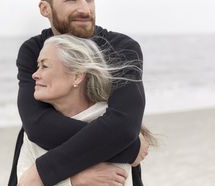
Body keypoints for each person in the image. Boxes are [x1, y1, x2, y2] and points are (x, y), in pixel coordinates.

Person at [9, 0, 148, 186]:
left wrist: (41, 173)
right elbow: (39, 125)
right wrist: (128, 147)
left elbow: (123, 125)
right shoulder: (34, 50)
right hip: (36, 156)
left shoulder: (122, 49)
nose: (85, 8)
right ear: (45, 8)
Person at [17, 34, 155, 186]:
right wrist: (74, 181)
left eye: (45, 66)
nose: (34, 75)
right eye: (37, 66)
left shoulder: (111, 125)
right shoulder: (35, 131)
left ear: (77, 76)